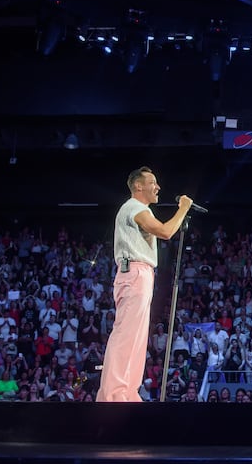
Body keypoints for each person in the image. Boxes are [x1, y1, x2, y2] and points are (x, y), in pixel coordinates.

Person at [96, 166, 194, 402]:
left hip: (142, 274)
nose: (157, 187)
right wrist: (183, 208)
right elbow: (165, 231)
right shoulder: (134, 208)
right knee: (126, 334)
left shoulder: (140, 210)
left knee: (137, 337)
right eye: (153, 182)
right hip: (135, 273)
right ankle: (112, 394)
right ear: (138, 186)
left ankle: (127, 391)